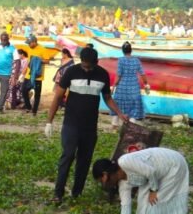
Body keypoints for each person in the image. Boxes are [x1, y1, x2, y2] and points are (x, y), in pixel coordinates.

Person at [44, 46, 129, 203]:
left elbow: (108, 98)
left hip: (90, 127)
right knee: (68, 156)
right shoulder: (71, 72)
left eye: (89, 66)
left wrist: (119, 113)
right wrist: (49, 122)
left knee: (84, 160)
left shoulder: (102, 75)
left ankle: (77, 193)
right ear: (80, 62)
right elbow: (58, 97)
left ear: (96, 62)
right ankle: (58, 193)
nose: (86, 69)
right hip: (71, 124)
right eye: (84, 66)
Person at [92, 147, 189, 214]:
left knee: (155, 201)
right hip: (154, 174)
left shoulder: (125, 161)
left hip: (172, 165)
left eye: (101, 181)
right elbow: (125, 207)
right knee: (142, 204)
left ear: (105, 175)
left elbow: (150, 171)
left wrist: (153, 190)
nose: (104, 184)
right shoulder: (123, 184)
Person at [113, 42, 148, 121]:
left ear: (123, 51)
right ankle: (131, 126)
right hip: (134, 88)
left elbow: (118, 75)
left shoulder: (121, 60)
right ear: (131, 50)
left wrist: (114, 86)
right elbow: (142, 74)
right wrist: (146, 84)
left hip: (122, 88)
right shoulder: (136, 60)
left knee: (117, 104)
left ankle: (114, 125)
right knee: (134, 107)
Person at [0, 33, 16, 112]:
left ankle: (0, 107)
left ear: (8, 39)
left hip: (6, 73)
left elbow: (17, 61)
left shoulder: (13, 48)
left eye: (5, 40)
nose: (3, 41)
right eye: (2, 40)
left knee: (3, 91)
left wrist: (15, 75)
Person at [23, 37, 46, 114]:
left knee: (37, 94)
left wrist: (38, 59)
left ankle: (34, 110)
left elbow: (47, 60)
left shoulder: (42, 49)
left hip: (37, 76)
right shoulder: (29, 48)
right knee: (24, 90)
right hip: (28, 75)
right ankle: (28, 107)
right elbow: (28, 60)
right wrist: (24, 70)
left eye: (30, 43)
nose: (29, 45)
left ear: (34, 42)